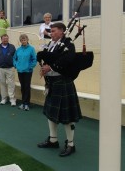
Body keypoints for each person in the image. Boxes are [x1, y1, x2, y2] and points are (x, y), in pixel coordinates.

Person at [37, 22, 82, 157]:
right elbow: (49, 58)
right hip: (53, 83)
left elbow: (69, 59)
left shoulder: (69, 44)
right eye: (50, 31)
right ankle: (53, 140)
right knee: (51, 113)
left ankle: (71, 144)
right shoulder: (51, 44)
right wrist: (43, 65)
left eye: (54, 31)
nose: (52, 33)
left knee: (67, 118)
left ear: (62, 31)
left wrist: (50, 67)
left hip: (63, 82)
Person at [13, 34, 37, 111]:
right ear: (20, 41)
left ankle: (27, 104)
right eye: (22, 40)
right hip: (20, 71)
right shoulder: (18, 49)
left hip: (28, 71)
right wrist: (16, 65)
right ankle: (23, 103)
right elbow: (14, 58)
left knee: (27, 87)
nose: (23, 41)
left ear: (27, 40)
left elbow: (34, 59)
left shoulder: (31, 49)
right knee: (22, 87)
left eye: (24, 40)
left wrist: (30, 67)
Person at [0, 34, 16, 106]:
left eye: (6, 38)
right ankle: (4, 98)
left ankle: (12, 99)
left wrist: (15, 65)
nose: (5, 40)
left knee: (11, 84)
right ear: (1, 39)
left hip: (10, 68)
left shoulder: (12, 47)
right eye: (4, 39)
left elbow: (15, 57)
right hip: (0, 68)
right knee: (2, 84)